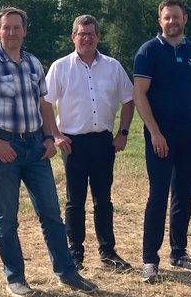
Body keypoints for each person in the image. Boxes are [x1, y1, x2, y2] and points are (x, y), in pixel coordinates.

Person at [0, 7, 99, 297]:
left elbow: (44, 106)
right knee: (8, 217)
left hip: (36, 148)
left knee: (51, 213)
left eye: (17, 28)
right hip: (5, 148)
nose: (12, 33)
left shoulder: (33, 64)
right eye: (6, 28)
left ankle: (66, 272)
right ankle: (15, 278)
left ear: (25, 31)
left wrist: (51, 137)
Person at [132, 0, 191, 283]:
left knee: (183, 193)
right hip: (160, 135)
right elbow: (139, 94)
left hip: (190, 133)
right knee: (158, 195)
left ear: (185, 19)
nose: (172, 22)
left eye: (176, 17)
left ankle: (179, 252)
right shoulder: (148, 52)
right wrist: (155, 132)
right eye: (166, 17)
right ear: (160, 20)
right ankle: (150, 260)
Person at [45, 15, 137, 271]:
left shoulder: (112, 66)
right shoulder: (60, 67)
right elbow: (45, 103)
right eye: (81, 33)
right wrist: (55, 135)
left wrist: (124, 132)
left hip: (103, 142)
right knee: (75, 200)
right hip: (72, 143)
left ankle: (108, 252)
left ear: (98, 37)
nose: (86, 38)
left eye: (91, 33)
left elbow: (129, 99)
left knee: (103, 199)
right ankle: (75, 253)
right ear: (73, 37)